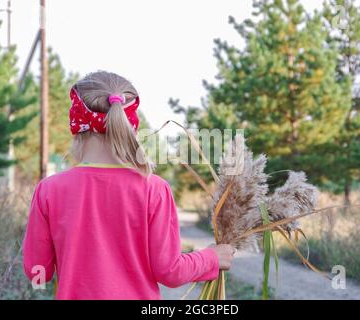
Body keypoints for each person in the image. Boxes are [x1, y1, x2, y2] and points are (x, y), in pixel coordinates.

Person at [22, 71, 235, 299]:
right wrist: (211, 257)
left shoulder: (49, 190)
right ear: (130, 124)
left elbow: (39, 272)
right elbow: (170, 271)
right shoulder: (154, 189)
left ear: (76, 125)